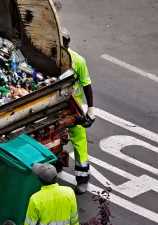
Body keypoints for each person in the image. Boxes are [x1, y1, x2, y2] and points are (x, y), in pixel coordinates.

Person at [61, 28, 95, 194]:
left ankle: (83, 180)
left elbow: (87, 85)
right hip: (55, 106)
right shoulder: (50, 58)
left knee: (80, 143)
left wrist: (91, 109)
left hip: (73, 108)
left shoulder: (78, 61)